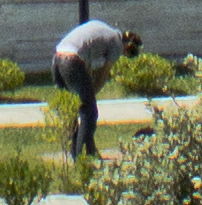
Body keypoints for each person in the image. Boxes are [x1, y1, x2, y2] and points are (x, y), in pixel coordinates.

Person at [49, 16, 141, 162]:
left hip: (57, 58)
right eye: (127, 55)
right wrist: (91, 95)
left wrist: (88, 93)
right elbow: (103, 75)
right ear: (128, 48)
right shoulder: (117, 44)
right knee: (89, 113)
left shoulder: (103, 28)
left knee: (73, 110)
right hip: (72, 61)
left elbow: (87, 63)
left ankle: (85, 151)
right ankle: (81, 159)